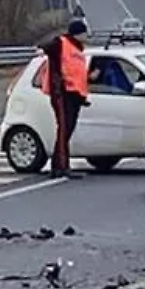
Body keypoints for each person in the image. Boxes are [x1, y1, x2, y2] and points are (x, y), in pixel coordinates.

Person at [39, 19, 91, 179]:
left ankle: (61, 165)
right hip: (62, 93)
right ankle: (60, 167)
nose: (86, 36)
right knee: (63, 129)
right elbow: (44, 47)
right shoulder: (61, 43)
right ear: (78, 33)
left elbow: (76, 72)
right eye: (84, 32)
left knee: (67, 130)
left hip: (74, 95)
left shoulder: (78, 49)